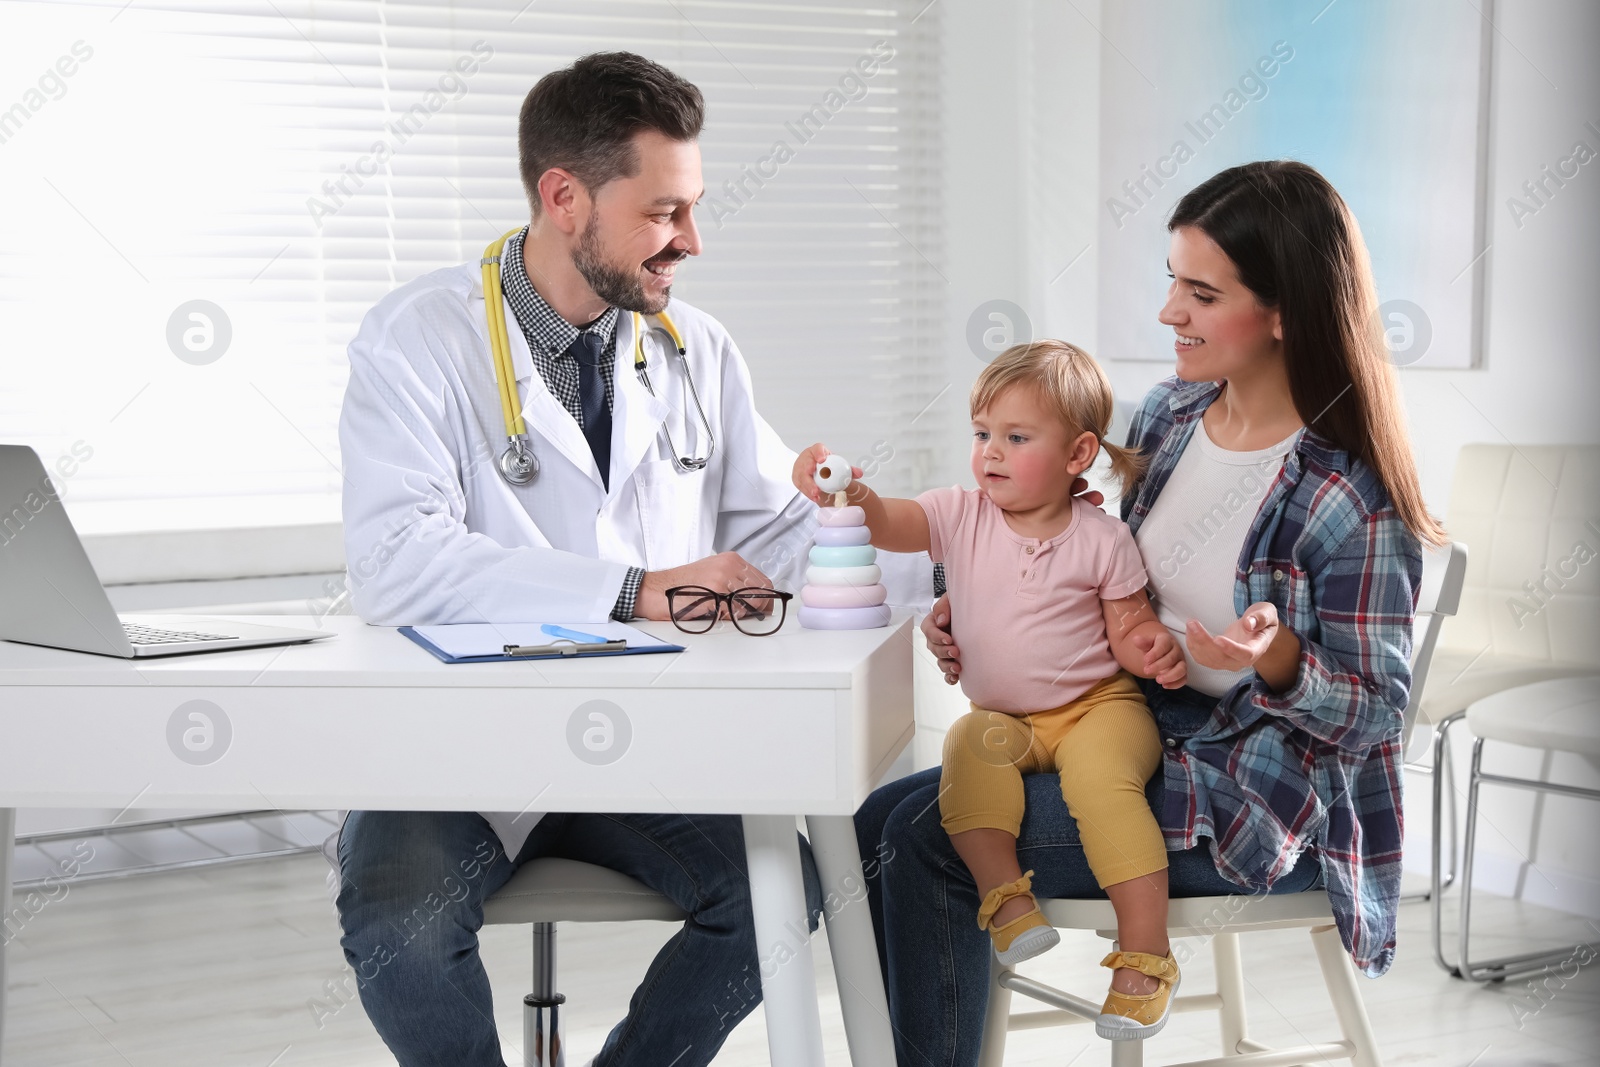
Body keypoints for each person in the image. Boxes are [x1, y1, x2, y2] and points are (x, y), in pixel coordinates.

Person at [334, 51, 930, 1067]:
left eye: (689, 210)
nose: (691, 241)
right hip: (455, 751)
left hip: (637, 741)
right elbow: (397, 561)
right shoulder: (415, 339)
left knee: (777, 901)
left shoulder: (693, 345)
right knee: (399, 919)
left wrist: (931, 553)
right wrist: (635, 590)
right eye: (664, 213)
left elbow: (774, 533)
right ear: (564, 197)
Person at [855, 160, 1446, 1065]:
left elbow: (1374, 715)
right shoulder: (1172, 415)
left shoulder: (1349, 493)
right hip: (1136, 725)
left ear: (1284, 309)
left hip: (1253, 780)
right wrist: (971, 607)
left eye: (1201, 293)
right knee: (867, 824)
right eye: (1171, 280)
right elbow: (1093, 567)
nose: (1170, 312)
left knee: (922, 836)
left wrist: (1278, 656)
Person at [794, 340, 1192, 1041]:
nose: (991, 453)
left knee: (1103, 786)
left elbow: (1127, 626)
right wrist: (851, 494)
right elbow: (891, 524)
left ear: (1078, 455)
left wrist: (1153, 648)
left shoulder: (1101, 537)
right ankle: (1007, 904)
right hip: (1007, 718)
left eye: (1015, 437)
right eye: (982, 434)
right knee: (966, 747)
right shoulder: (960, 512)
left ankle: (1144, 955)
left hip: (1099, 707)